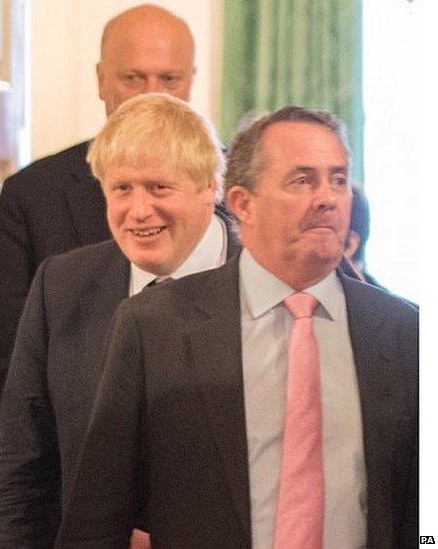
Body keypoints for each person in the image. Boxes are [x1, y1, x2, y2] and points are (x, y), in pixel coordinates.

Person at [57, 107, 418, 548]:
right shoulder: (154, 327)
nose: (326, 197)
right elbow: (97, 514)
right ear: (243, 203)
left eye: (338, 180)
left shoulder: (404, 332)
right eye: (302, 180)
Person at [0, 4, 198, 518]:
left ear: (191, 82)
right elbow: (2, 379)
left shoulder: (231, 191)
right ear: (101, 80)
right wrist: (14, 522)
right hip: (66, 500)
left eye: (169, 78)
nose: (151, 95)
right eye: (133, 77)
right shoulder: (34, 195)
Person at [0, 93, 239, 548]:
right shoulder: (61, 286)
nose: (139, 210)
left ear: (210, 187)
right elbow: (24, 468)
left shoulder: (263, 285)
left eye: (158, 188)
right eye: (122, 189)